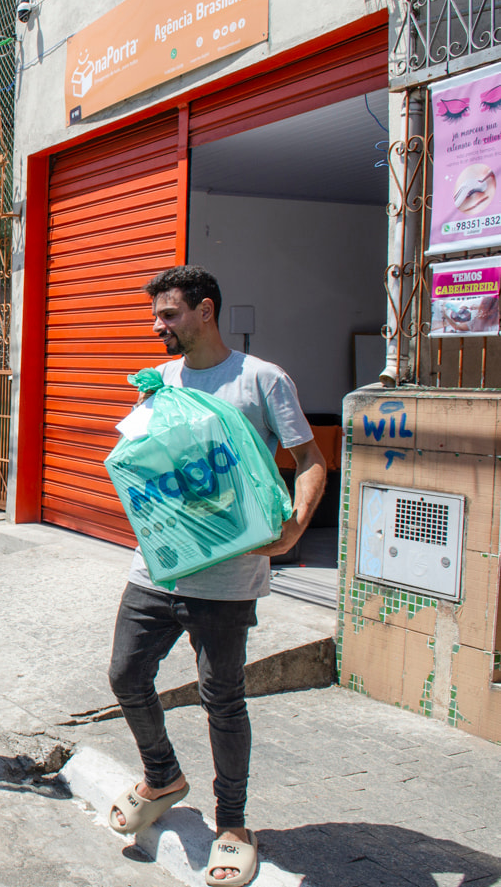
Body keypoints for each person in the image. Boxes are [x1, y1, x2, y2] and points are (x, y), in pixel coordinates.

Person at [106, 266, 326, 887]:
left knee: (221, 698)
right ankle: (163, 776)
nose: (158, 326)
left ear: (205, 311)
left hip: (227, 578)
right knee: (126, 674)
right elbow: (147, 459)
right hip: (159, 565)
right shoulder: (160, 383)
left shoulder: (260, 380)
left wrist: (293, 529)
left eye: (169, 315)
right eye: (155, 315)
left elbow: (310, 460)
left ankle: (232, 824)